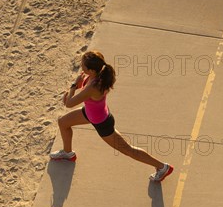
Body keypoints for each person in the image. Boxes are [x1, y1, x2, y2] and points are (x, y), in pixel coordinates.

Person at [50, 50, 173, 182]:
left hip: (102, 123)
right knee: (63, 122)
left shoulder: (94, 86)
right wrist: (75, 90)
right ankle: (68, 154)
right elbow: (76, 96)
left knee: (128, 149)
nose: (81, 67)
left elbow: (68, 103)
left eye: (83, 65)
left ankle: (162, 167)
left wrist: (73, 86)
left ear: (91, 70)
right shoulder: (98, 75)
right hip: (90, 113)